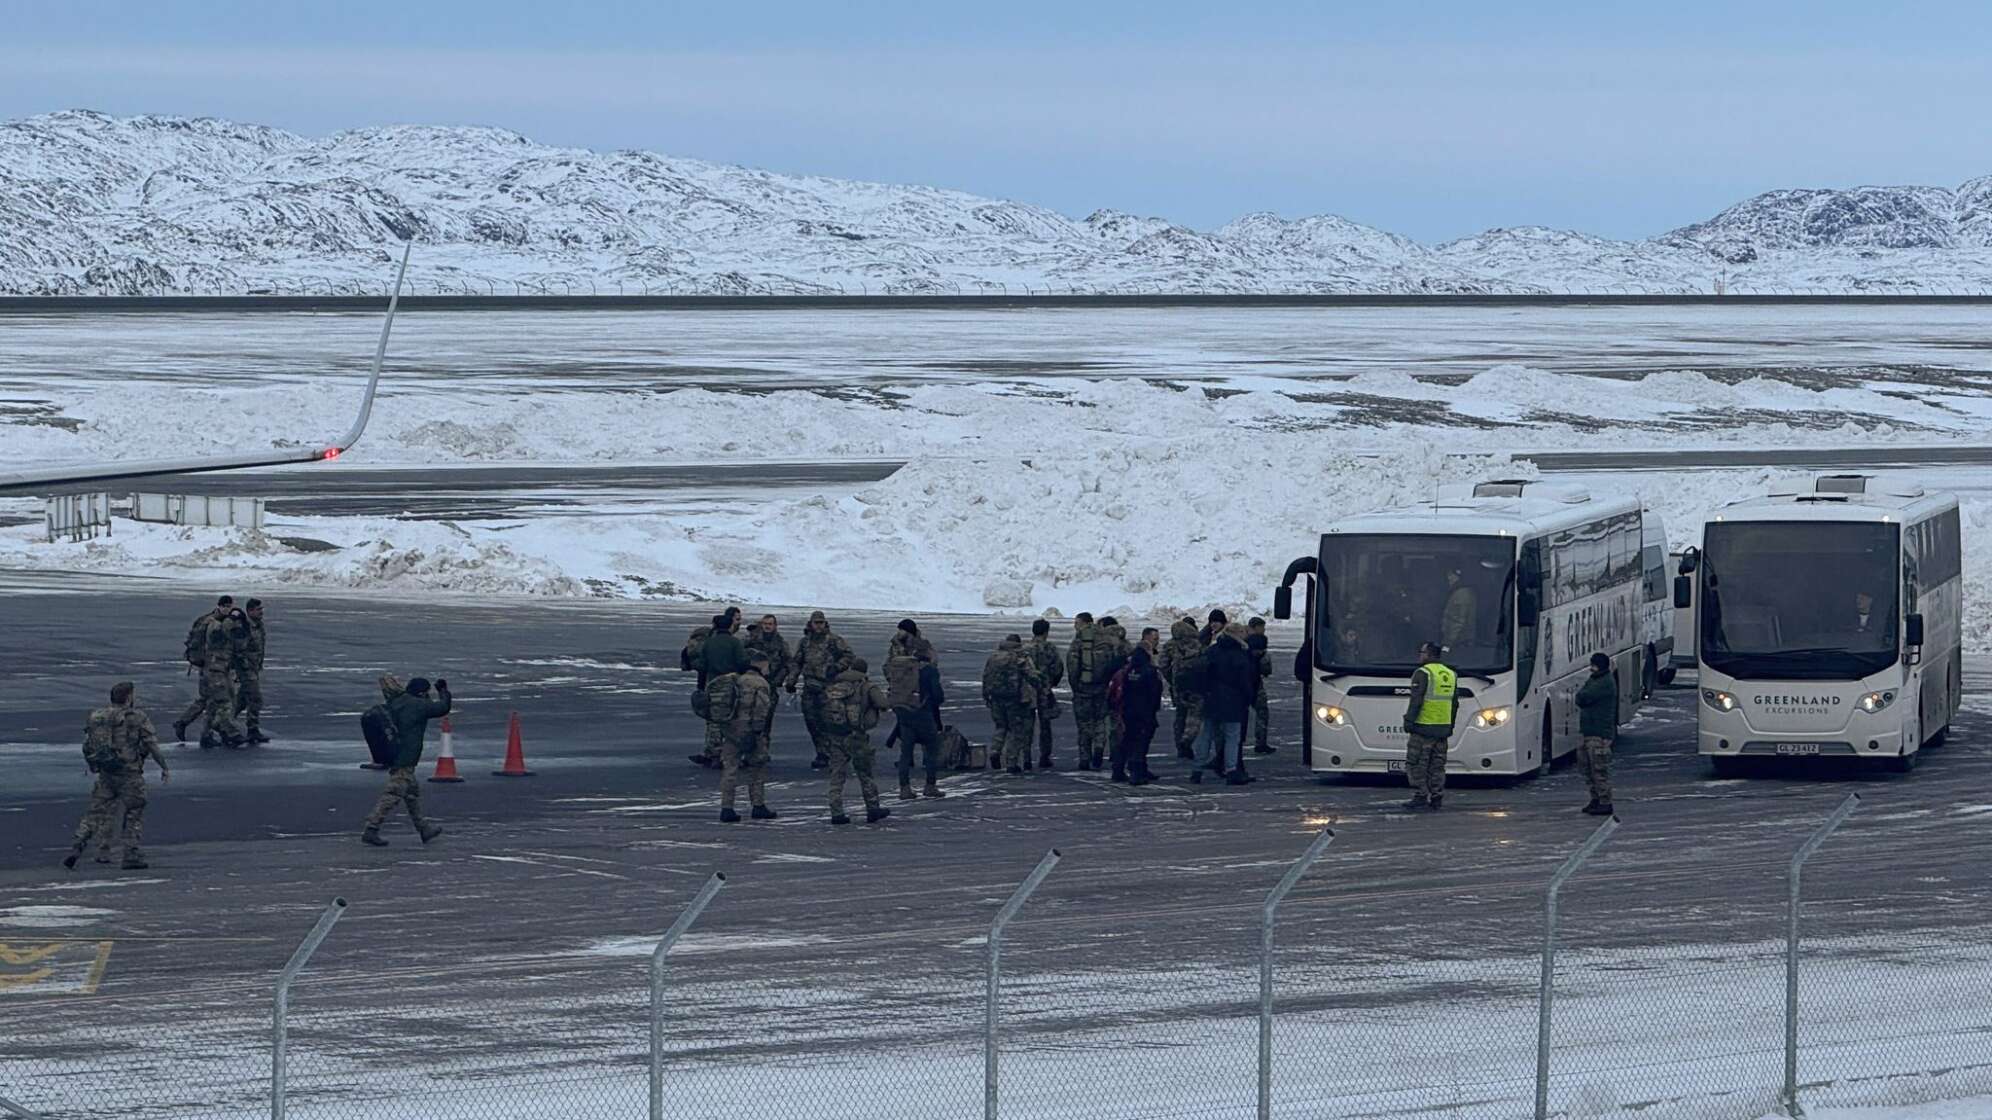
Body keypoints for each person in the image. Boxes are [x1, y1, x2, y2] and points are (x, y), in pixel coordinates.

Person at [65, 682, 170, 871]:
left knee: (95, 813)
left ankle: (77, 846)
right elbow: (151, 744)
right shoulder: (137, 717)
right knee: (134, 812)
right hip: (130, 774)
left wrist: (93, 765)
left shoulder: (98, 716)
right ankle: (131, 854)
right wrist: (164, 766)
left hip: (107, 772)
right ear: (129, 697)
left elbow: (88, 745)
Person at [361, 677, 451, 846]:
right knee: (393, 794)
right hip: (405, 757)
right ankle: (371, 829)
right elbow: (442, 708)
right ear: (422, 692)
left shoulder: (397, 701)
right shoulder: (418, 705)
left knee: (411, 794)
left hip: (395, 753)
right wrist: (443, 692)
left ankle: (424, 829)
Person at [821, 656, 891, 825]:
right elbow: (883, 704)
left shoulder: (835, 686)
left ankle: (836, 812)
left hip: (836, 734)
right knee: (865, 773)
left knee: (837, 774)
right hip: (857, 736)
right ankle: (872, 808)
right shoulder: (867, 686)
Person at [174, 595, 246, 749]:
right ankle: (230, 732)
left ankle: (199, 732)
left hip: (214, 667)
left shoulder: (211, 620)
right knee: (224, 701)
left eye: (230, 606)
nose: (228, 609)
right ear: (219, 606)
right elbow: (218, 636)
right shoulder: (213, 623)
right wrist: (231, 620)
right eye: (225, 606)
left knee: (208, 701)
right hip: (215, 668)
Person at [885, 620, 946, 799]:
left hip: (903, 709)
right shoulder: (928, 670)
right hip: (924, 711)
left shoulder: (899, 665)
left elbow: (888, 671)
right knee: (931, 748)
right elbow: (938, 696)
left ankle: (904, 788)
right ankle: (930, 786)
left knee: (906, 751)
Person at [1195, 623, 1259, 785]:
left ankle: (1197, 769)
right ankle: (1231, 770)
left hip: (1211, 698)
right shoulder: (1240, 654)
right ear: (1237, 634)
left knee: (1206, 734)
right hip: (1233, 700)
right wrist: (1249, 698)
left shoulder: (1212, 651)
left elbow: (1201, 672)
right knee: (1232, 736)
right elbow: (1245, 680)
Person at [791, 610, 855, 770]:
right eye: (816, 623)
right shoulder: (805, 642)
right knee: (812, 722)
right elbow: (796, 662)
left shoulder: (834, 640)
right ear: (810, 624)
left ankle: (835, 753)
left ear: (825, 623)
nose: (818, 626)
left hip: (829, 688)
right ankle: (821, 752)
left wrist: (837, 667)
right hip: (810, 686)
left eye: (821, 622)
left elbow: (849, 656)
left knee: (831, 721)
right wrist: (791, 680)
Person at [718, 654, 778, 822]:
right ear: (762, 665)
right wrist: (758, 732)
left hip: (731, 730)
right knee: (757, 768)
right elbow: (761, 709)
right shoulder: (761, 683)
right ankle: (758, 805)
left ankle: (726, 807)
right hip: (750, 730)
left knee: (730, 769)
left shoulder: (735, 680)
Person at [1401, 642, 1458, 811]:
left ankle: (1420, 796)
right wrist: (1450, 726)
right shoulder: (1450, 674)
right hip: (1442, 729)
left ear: (1429, 655)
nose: (1420, 655)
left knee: (1416, 763)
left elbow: (1416, 701)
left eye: (1422, 652)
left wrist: (1409, 721)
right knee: (1437, 765)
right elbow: (1454, 704)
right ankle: (1436, 797)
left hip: (1423, 728)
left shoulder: (1423, 673)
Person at [691, 612, 749, 768]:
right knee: (732, 720)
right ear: (730, 625)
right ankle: (730, 754)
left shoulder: (709, 644)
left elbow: (702, 665)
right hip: (732, 685)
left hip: (713, 685)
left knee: (714, 721)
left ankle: (714, 753)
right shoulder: (735, 643)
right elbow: (743, 662)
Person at [982, 634, 1042, 775]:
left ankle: (995, 751)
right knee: (1016, 731)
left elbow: (986, 676)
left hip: (996, 697)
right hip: (1015, 699)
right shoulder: (1020, 657)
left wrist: (986, 695)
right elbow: (1031, 675)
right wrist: (1040, 685)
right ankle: (1011, 762)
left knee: (1001, 726)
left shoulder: (994, 657)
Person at [1111, 646, 1164, 785]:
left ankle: (1118, 769)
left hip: (1128, 710)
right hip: (1144, 711)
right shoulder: (1150, 672)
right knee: (1141, 743)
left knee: (1127, 739)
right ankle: (1136, 773)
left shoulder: (1128, 671)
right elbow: (1155, 693)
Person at [1575, 652, 1618, 816]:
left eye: (1593, 665)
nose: (1590, 668)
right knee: (1587, 767)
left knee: (1599, 769)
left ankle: (1605, 801)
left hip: (1599, 733)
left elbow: (1583, 697)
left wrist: (1582, 697)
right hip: (1590, 730)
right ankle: (1596, 799)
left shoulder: (1603, 683)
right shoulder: (1596, 680)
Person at [744, 613, 793, 758]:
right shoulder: (751, 640)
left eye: (770, 624)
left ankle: (762, 752)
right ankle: (747, 752)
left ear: (775, 626)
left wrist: (780, 679)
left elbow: (788, 663)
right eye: (765, 623)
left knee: (765, 720)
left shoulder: (780, 643)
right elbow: (739, 655)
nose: (767, 626)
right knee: (747, 719)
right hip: (750, 685)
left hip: (770, 685)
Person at [1066, 612, 1111, 771]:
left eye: (1077, 622)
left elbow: (1072, 665)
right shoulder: (1105, 638)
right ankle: (1099, 747)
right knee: (1100, 721)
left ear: (1085, 623)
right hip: (1101, 687)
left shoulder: (1079, 640)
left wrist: (1075, 686)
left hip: (1083, 689)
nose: (1075, 626)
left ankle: (1084, 758)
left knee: (1084, 724)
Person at [1023, 618, 1064, 770]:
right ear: (1046, 632)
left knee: (1027, 724)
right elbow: (1058, 668)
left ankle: (1026, 757)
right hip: (1044, 689)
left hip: (1028, 690)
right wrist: (1051, 682)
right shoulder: (1050, 648)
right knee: (1045, 725)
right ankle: (1044, 756)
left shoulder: (1025, 648)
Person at [1160, 618, 1204, 759]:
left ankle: (1180, 745)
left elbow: (1162, 665)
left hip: (1178, 686)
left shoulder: (1170, 645)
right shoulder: (1197, 644)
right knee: (1195, 714)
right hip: (1196, 684)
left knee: (1180, 715)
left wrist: (1171, 679)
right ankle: (1188, 738)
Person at [1094, 617, 1132, 769]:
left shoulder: (1102, 645)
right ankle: (1117, 753)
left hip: (1105, 687)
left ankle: (1098, 751)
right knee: (1120, 723)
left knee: (1102, 722)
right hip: (1124, 688)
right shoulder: (1127, 645)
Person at [234, 598, 270, 744]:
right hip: (246, 669)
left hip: (254, 668)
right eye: (258, 609)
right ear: (250, 611)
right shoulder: (245, 627)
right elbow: (239, 650)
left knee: (242, 700)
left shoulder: (259, 626)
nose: (261, 612)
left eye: (262, 609)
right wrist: (244, 668)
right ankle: (252, 729)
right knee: (255, 699)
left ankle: (221, 723)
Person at [1245, 616, 1275, 755]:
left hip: (1241, 684)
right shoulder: (1261, 642)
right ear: (1255, 627)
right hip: (1255, 683)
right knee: (1262, 713)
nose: (1264, 630)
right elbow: (1266, 667)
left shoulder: (1240, 640)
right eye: (1262, 627)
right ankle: (1260, 743)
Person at [1442, 569, 1477, 652]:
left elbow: (1458, 620)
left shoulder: (1461, 595)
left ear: (1458, 577)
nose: (1449, 578)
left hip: (1459, 643)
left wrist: (1448, 643)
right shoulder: (1461, 592)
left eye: (1451, 576)